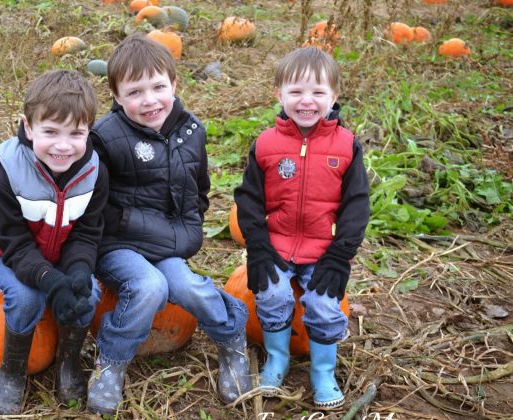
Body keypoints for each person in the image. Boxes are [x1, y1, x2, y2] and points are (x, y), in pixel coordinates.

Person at [86, 33, 252, 415]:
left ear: (174, 84)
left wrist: (182, 231)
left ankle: (231, 340)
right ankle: (111, 361)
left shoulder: (193, 132)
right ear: (116, 94)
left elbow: (199, 190)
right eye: (135, 92)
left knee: (188, 287)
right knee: (148, 285)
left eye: (158, 87)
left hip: (167, 246)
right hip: (118, 245)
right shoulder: (106, 138)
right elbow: (98, 208)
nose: (149, 100)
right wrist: (149, 231)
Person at [0, 70, 108, 415]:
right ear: (28, 127)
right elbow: (13, 243)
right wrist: (49, 281)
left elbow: (88, 232)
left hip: (57, 249)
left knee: (86, 291)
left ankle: (68, 362)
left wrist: (76, 270)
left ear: (89, 129)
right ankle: (12, 372)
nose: (63, 145)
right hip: (1, 249)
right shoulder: (8, 170)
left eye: (76, 133)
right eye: (50, 132)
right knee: (26, 297)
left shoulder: (94, 171)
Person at [234, 47, 370, 409]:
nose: (306, 101)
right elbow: (248, 199)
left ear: (334, 97)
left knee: (325, 307)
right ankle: (277, 358)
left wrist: (341, 254)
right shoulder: (266, 144)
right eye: (295, 92)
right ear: (278, 94)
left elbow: (357, 204)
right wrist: (259, 246)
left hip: (323, 249)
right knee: (272, 295)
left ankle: (323, 371)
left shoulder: (346, 147)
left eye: (318, 93)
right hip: (277, 245)